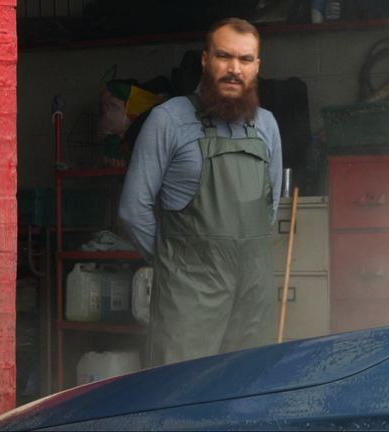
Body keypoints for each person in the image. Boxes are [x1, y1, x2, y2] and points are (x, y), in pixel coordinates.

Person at [119, 18, 283, 367]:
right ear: (206, 60)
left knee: (246, 394)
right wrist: (176, 266)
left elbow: (270, 209)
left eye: (245, 59)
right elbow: (133, 210)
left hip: (252, 296)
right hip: (188, 298)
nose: (234, 69)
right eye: (224, 57)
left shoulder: (266, 125)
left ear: (257, 67)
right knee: (179, 399)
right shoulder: (168, 120)